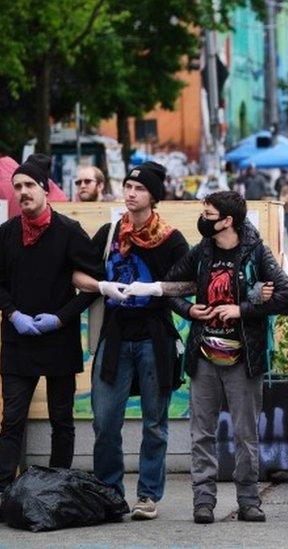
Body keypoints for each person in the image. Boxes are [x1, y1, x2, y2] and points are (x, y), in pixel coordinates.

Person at [163, 191, 288, 524]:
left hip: (243, 358)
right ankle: (203, 501)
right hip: (204, 354)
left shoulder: (257, 252)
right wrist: (190, 309)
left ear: (227, 220)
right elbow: (169, 286)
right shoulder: (201, 251)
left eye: (208, 214)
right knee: (201, 433)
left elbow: (286, 293)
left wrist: (244, 309)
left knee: (245, 433)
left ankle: (249, 501)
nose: (203, 219)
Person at [82, 161, 190, 520]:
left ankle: (148, 496)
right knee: (105, 421)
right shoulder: (111, 233)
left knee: (155, 423)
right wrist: (101, 285)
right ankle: (110, 493)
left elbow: (192, 283)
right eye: (127, 186)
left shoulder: (172, 239)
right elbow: (79, 272)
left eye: (139, 188)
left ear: (154, 196)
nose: (130, 193)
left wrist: (158, 287)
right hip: (115, 338)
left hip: (154, 339)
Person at [0, 154, 104, 499]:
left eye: (29, 185)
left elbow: (96, 285)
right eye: (18, 187)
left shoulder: (69, 232)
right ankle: (2, 490)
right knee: (12, 419)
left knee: (62, 420)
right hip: (18, 339)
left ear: (45, 189)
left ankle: (58, 488)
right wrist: (12, 313)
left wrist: (62, 317)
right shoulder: (6, 233)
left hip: (59, 339)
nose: (23, 192)